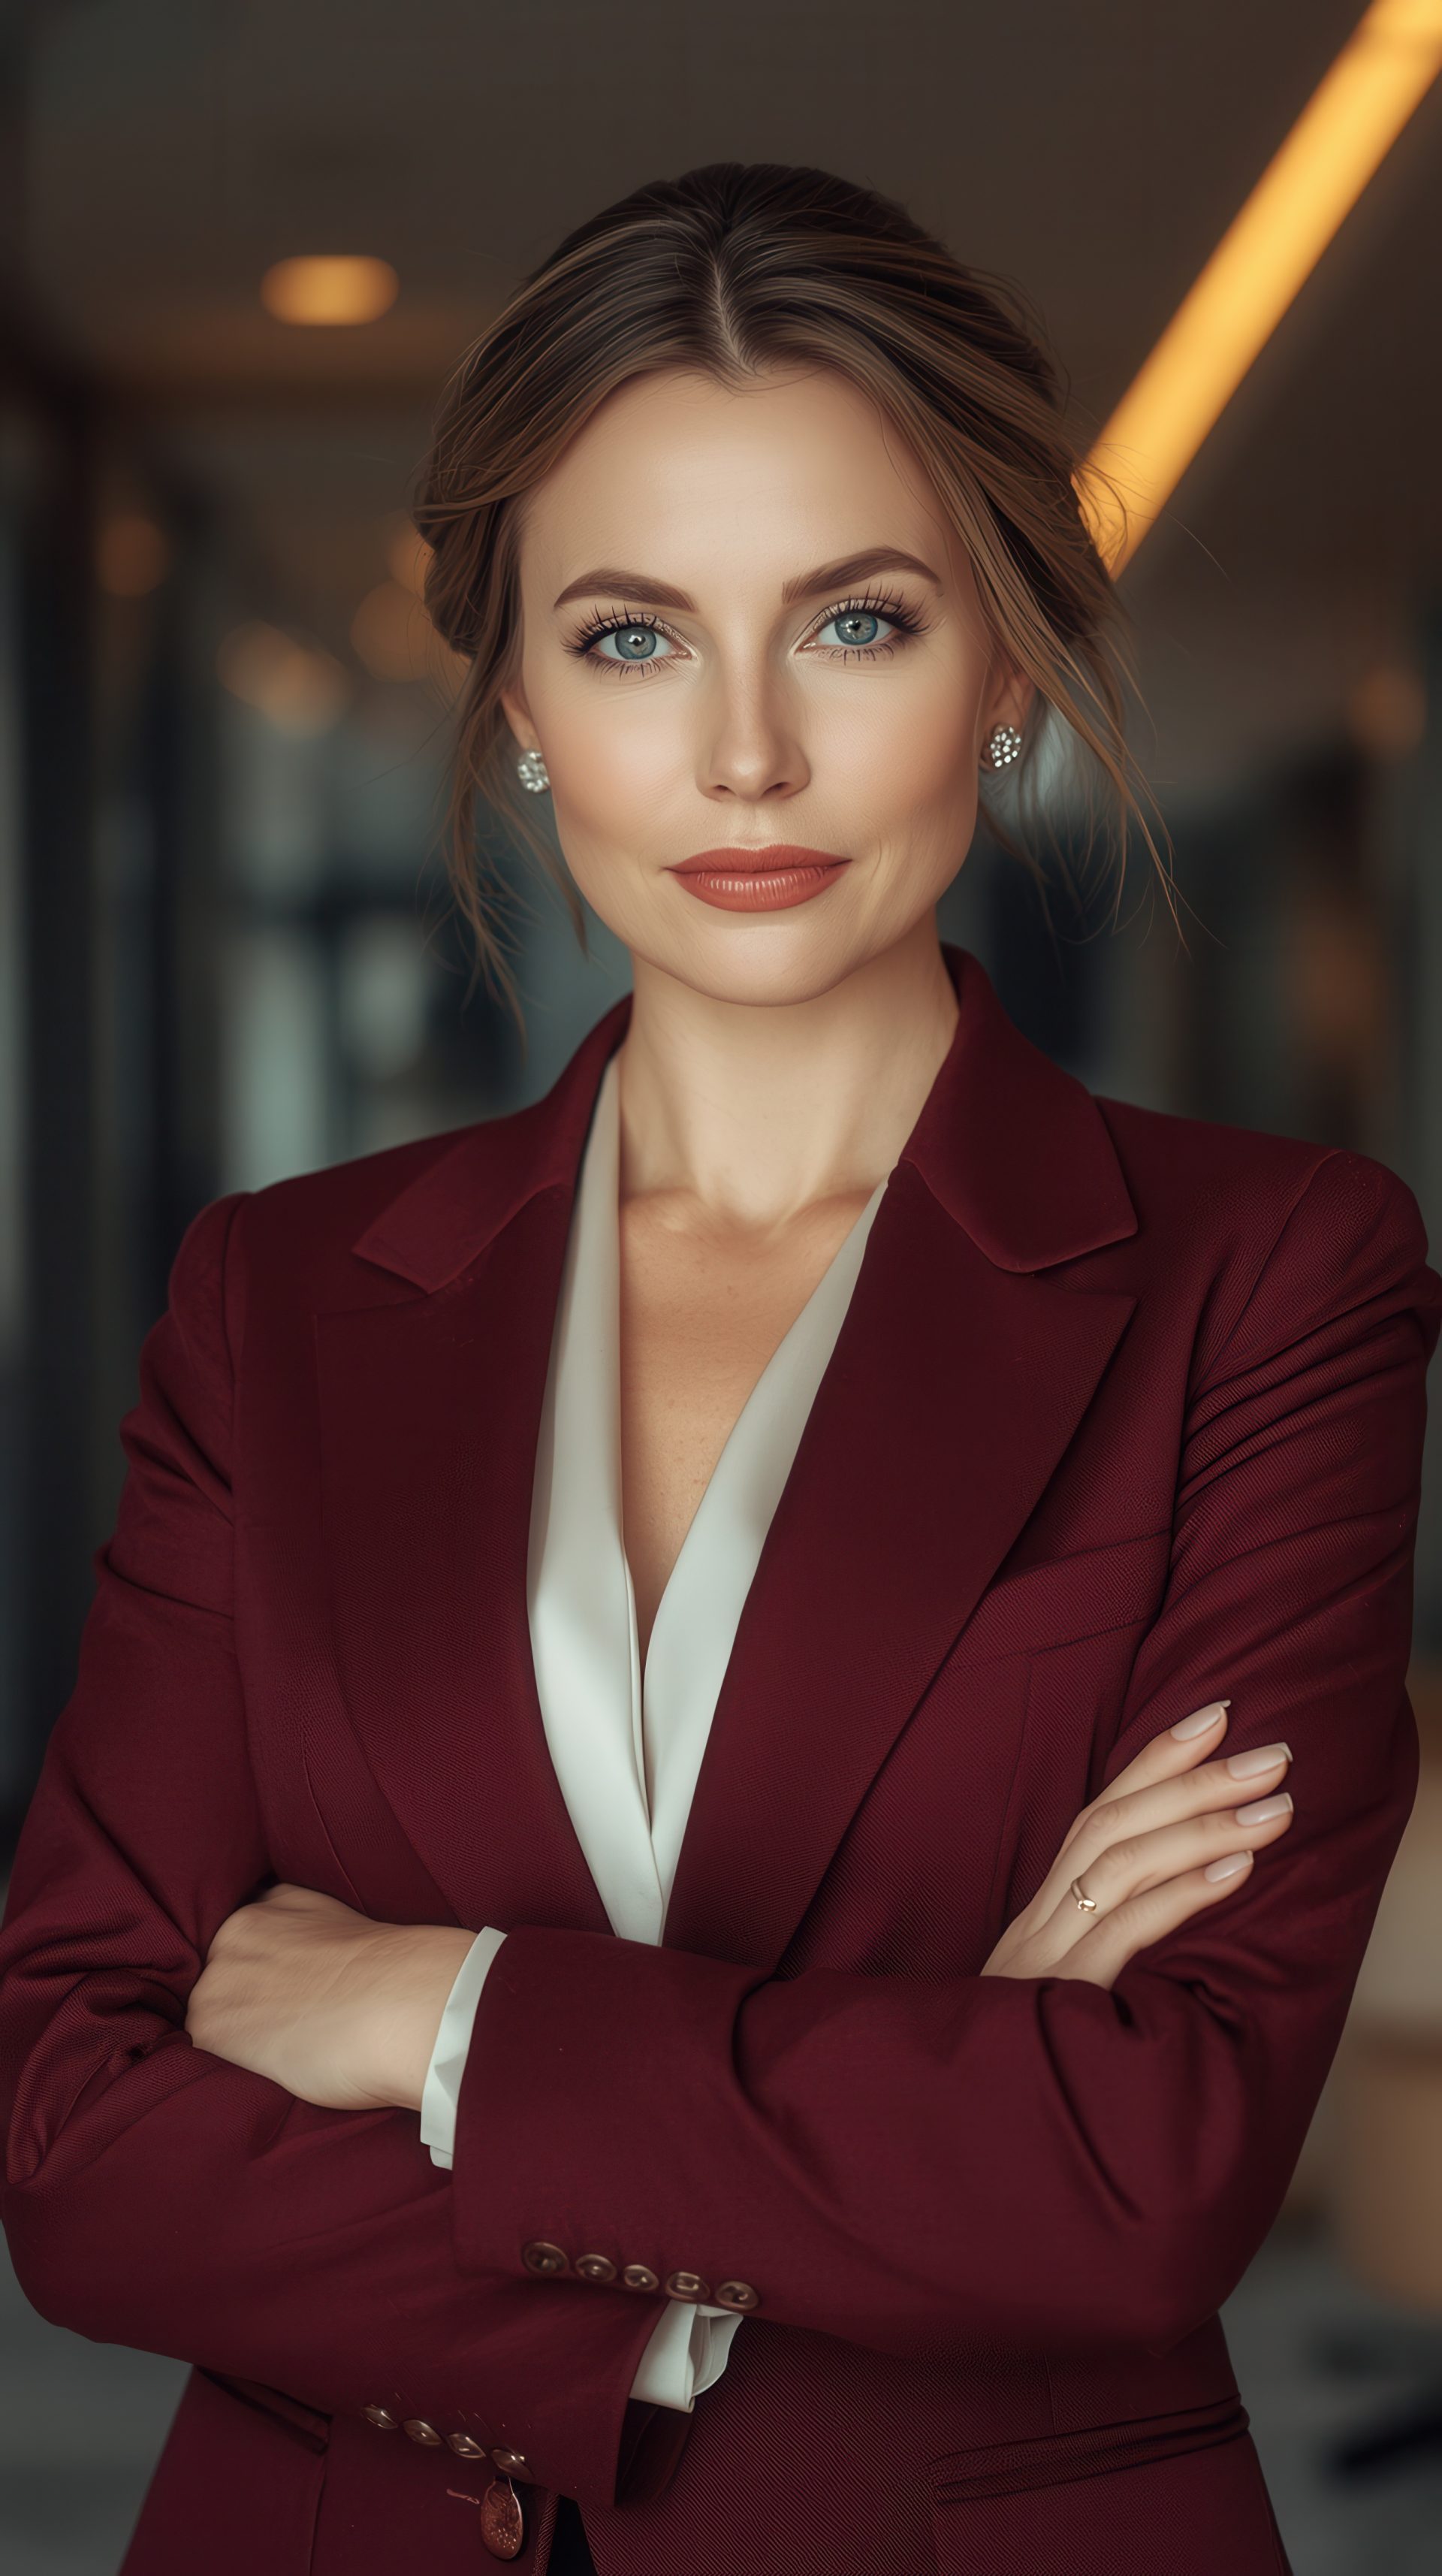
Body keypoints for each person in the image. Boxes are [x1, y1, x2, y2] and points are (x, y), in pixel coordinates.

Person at [0, 162, 1437, 2576]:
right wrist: (901, 2108)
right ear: (526, 702)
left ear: (1002, 667)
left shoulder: (1269, 1280)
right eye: (635, 638)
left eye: (855, 622)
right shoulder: (284, 1299)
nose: (747, 755)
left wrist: (439, 2021)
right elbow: (72, 2136)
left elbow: (1142, 2171)